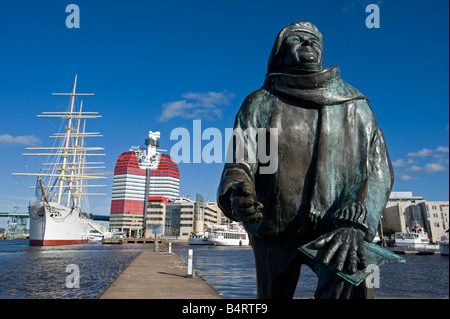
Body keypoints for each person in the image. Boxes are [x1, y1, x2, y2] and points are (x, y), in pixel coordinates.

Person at [217, 22, 394, 299]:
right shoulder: (260, 102)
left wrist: (358, 223)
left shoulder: (356, 105)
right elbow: (240, 163)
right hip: (273, 227)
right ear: (281, 53)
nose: (308, 45)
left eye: (313, 41)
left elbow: (379, 171)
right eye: (297, 40)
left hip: (337, 226)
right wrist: (237, 192)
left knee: (352, 281)